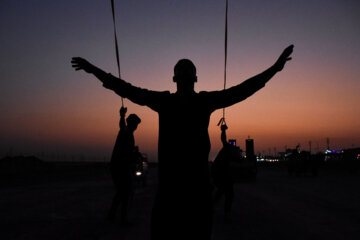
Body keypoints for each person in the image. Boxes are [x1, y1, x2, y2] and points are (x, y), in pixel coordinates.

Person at [71, 44, 293, 239]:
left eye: (186, 72)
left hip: (186, 193)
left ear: (179, 79)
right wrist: (93, 70)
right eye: (184, 71)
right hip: (179, 194)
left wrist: (275, 69)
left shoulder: (174, 102)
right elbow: (126, 89)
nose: (185, 75)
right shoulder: (183, 101)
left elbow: (242, 90)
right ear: (186, 79)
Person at [107, 106, 141, 224]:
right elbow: (122, 126)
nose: (136, 126)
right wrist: (122, 116)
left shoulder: (129, 134)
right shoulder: (125, 131)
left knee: (122, 192)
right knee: (125, 192)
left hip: (122, 167)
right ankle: (122, 218)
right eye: (135, 123)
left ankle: (114, 215)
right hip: (120, 167)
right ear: (132, 123)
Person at [211, 124, 235, 223]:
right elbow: (224, 140)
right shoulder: (227, 149)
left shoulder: (228, 152)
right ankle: (226, 213)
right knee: (226, 194)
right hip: (221, 176)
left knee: (224, 193)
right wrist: (223, 131)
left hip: (223, 176)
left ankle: (223, 211)